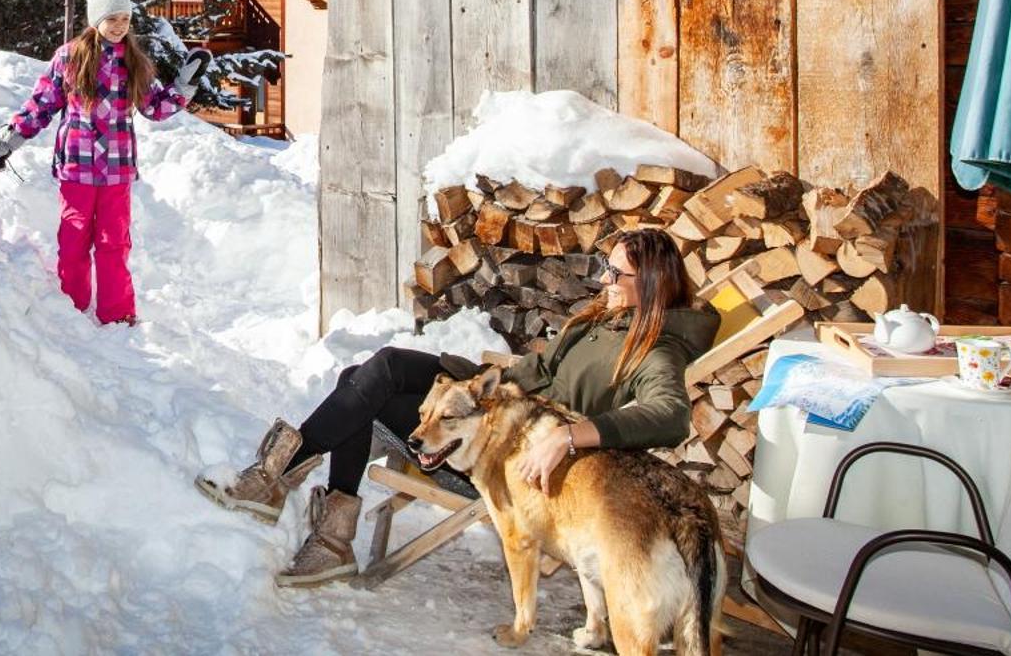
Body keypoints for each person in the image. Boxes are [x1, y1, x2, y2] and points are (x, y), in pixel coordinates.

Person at [196, 227, 716, 587]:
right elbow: (535, 373)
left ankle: (292, 493)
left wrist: (568, 436)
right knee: (374, 372)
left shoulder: (657, 350)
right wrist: (468, 382)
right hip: (498, 404)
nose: (603, 280)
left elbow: (670, 414)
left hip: (507, 453)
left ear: (648, 284)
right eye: (605, 268)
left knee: (365, 390)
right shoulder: (603, 319)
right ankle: (314, 519)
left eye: (615, 274)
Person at [0, 0, 210, 325]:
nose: (119, 26)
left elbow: (155, 108)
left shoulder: (133, 62)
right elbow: (41, 105)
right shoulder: (70, 57)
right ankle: (71, 309)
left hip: (117, 168)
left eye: (124, 19)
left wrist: (184, 84)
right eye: (112, 18)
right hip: (77, 164)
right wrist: (9, 141)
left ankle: (117, 313)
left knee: (113, 243)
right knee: (73, 240)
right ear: (96, 19)